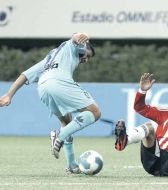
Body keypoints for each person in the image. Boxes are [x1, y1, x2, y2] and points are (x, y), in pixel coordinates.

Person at [0, 33, 101, 174]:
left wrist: (9, 95)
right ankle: (59, 135)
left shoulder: (49, 59)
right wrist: (79, 37)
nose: (87, 59)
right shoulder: (71, 47)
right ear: (84, 47)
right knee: (95, 112)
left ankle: (72, 166)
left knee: (67, 121)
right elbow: (73, 40)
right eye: (88, 56)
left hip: (42, 88)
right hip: (59, 82)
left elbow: (25, 75)